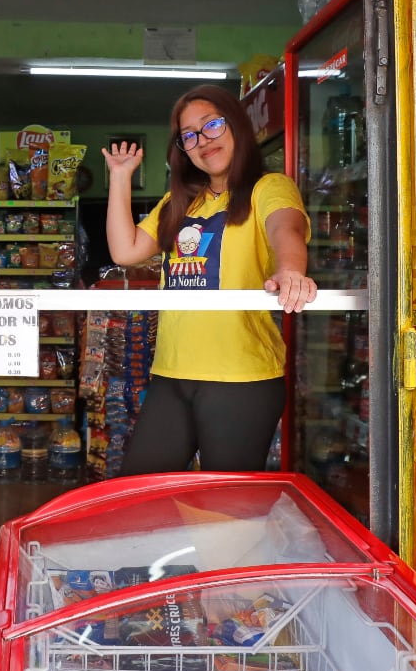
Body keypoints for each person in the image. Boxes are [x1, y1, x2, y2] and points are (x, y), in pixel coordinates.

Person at [103, 83, 317, 476]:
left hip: (241, 379)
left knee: (227, 507)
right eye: (189, 135)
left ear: (236, 125)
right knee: (142, 490)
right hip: (172, 373)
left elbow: (285, 228)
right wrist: (120, 177)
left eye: (212, 125)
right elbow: (125, 251)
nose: (203, 141)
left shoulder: (267, 188)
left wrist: (291, 270)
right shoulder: (181, 203)